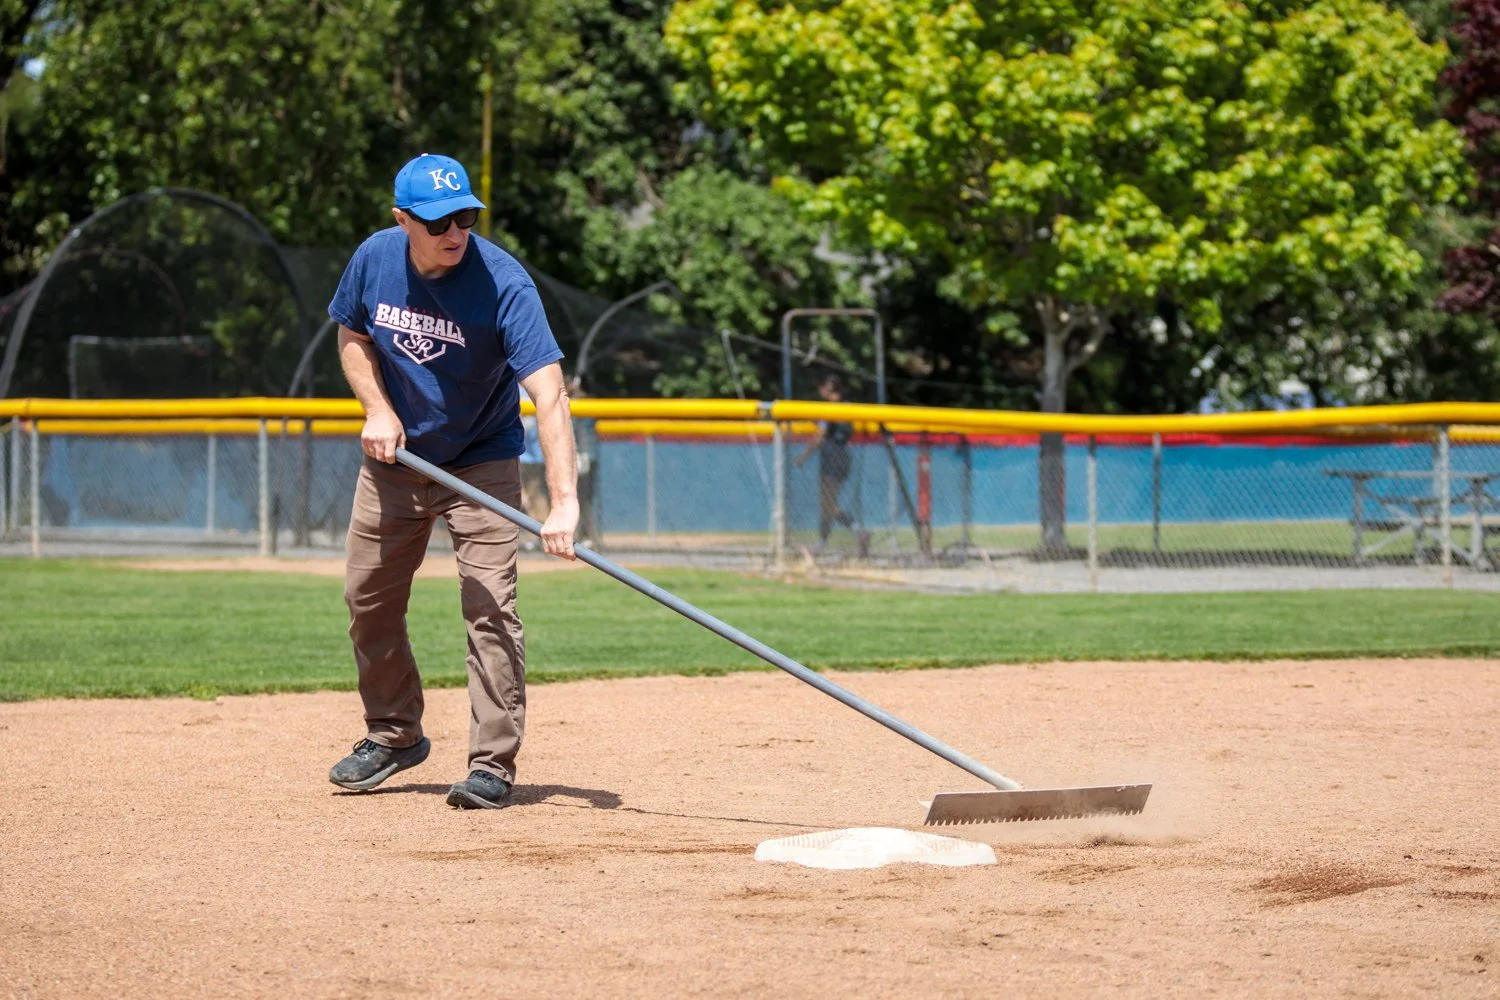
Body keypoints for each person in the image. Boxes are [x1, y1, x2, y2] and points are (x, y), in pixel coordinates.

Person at [325, 153, 579, 809]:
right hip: (399, 460)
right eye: (438, 221)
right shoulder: (374, 258)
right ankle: (394, 734)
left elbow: (550, 394)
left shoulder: (503, 283)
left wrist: (564, 503)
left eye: (465, 216)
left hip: (482, 461)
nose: (455, 232)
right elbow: (352, 335)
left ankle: (492, 764)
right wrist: (378, 410)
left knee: (490, 608)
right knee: (368, 600)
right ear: (402, 220)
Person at [794, 373, 870, 555]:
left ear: (828, 389)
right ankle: (824, 541)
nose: (820, 391)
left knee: (827, 503)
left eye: (822, 387)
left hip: (832, 457)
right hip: (842, 456)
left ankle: (858, 531)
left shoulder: (830, 409)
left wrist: (803, 457)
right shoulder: (846, 406)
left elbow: (820, 436)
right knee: (827, 504)